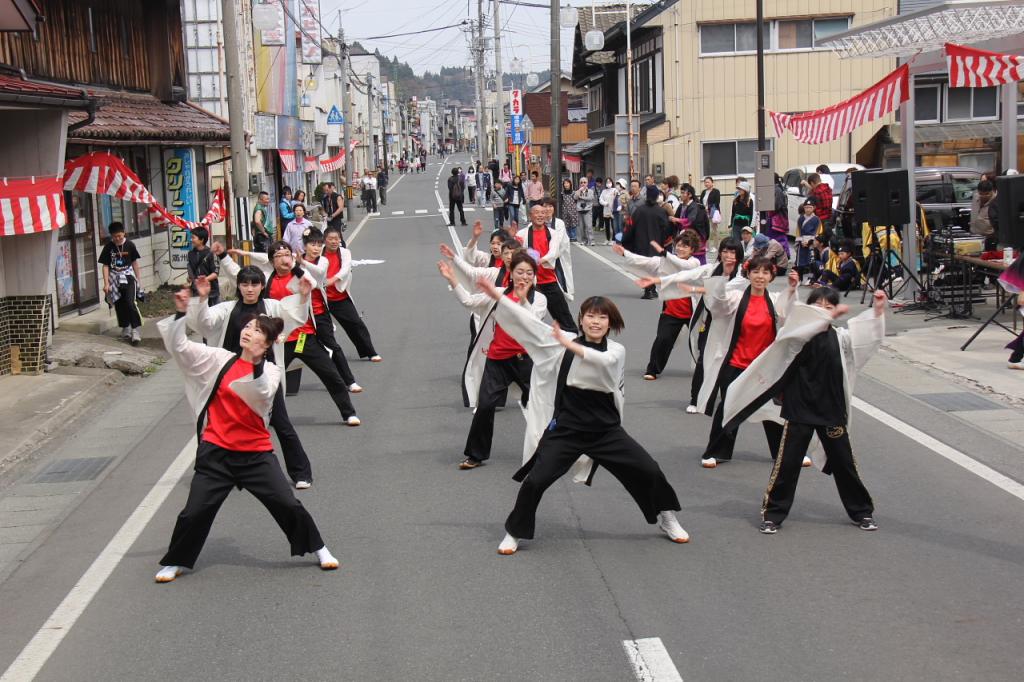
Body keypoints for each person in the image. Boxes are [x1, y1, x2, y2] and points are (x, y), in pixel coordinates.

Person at [474, 290, 689, 555]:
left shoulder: (615, 351)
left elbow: (602, 361)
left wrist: (571, 345)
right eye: (590, 316)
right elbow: (527, 324)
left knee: (649, 470)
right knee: (535, 481)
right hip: (567, 430)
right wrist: (497, 295)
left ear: (611, 323)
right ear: (581, 319)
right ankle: (514, 531)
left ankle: (666, 517)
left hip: (606, 431)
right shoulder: (563, 346)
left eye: (602, 317)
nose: (596, 321)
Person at [152, 293, 338, 583]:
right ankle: (176, 560)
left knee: (287, 504)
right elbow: (180, 348)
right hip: (216, 452)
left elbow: (259, 392)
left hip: (255, 455)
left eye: (256, 331)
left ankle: (319, 548)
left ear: (268, 343)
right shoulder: (218, 359)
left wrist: (253, 361)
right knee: (194, 512)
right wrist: (180, 313)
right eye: (247, 328)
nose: (247, 332)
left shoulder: (272, 372)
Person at [720, 287, 887, 534]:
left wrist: (878, 310)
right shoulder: (797, 336)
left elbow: (865, 341)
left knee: (844, 464)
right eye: (817, 306)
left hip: (831, 409)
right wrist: (826, 316)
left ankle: (862, 512)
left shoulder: (841, 339)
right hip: (800, 409)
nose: (823, 310)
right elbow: (793, 332)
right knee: (788, 464)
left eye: (829, 306)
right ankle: (773, 514)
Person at [188, 255, 316, 488]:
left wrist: (304, 294)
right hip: (230, 376)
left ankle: (301, 473)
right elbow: (204, 323)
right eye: (245, 284)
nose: (249, 289)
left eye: (254, 284)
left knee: (281, 423)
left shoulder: (272, 307)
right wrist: (203, 298)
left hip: (263, 376)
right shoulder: (227, 309)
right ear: (238, 286)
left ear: (261, 286)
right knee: (217, 424)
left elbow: (295, 313)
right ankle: (213, 473)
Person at [224, 241, 362, 426]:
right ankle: (264, 417)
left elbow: (312, 283)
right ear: (271, 261)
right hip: (278, 342)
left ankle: (348, 413)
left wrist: (295, 267)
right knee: (270, 380)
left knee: (331, 375)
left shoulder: (300, 276)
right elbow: (237, 275)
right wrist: (223, 257)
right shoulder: (266, 281)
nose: (284, 259)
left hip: (303, 337)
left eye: (287, 254)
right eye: (278, 256)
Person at [438, 250, 545, 470]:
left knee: (540, 407)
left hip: (526, 362)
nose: (524, 277)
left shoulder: (539, 299)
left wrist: (523, 299)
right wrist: (453, 280)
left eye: (529, 273)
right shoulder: (498, 293)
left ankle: (553, 449)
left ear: (534, 276)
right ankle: (476, 455)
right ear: (511, 273)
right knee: (485, 406)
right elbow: (469, 301)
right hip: (497, 360)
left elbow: (532, 321)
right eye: (519, 272)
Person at [696, 257, 799, 468]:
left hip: (764, 367)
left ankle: (783, 452)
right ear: (748, 274)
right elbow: (718, 305)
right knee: (728, 406)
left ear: (771, 276)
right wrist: (724, 276)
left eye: (765, 272)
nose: (760, 276)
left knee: (773, 409)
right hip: (736, 363)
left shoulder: (775, 298)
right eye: (756, 272)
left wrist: (791, 289)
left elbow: (789, 316)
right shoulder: (736, 297)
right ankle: (718, 451)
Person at [615, 231, 702, 380]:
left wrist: (664, 253)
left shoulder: (694, 263)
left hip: (694, 312)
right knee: (662, 340)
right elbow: (643, 261)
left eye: (685, 247)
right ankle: (652, 370)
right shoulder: (664, 261)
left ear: (692, 250)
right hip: (672, 312)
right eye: (679, 245)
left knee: (701, 343)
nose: (681, 249)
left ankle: (704, 370)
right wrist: (625, 254)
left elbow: (683, 265)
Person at [321, 224, 382, 362]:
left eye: (337, 238)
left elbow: (345, 269)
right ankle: (321, 355)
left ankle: (370, 352)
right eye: (331, 239)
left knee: (356, 324)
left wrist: (332, 280)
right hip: (320, 298)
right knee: (319, 329)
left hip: (339, 296)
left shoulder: (344, 252)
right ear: (324, 240)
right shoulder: (318, 253)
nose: (334, 241)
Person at [517, 204, 577, 333]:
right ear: (530, 216)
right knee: (529, 316)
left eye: (542, 213)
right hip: (530, 283)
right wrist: (514, 242)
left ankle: (572, 340)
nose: (540, 215)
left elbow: (553, 252)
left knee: (564, 317)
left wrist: (539, 261)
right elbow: (514, 252)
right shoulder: (522, 234)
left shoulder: (552, 233)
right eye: (537, 213)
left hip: (548, 280)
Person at [622, 186, 672, 299]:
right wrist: (664, 240)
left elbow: (630, 226)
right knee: (654, 266)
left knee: (645, 267)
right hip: (656, 243)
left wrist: (626, 240)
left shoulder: (639, 211)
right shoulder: (661, 211)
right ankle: (652, 289)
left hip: (641, 243)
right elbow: (666, 229)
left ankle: (648, 290)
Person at [99, 221, 144, 345]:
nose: (118, 238)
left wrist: (139, 280)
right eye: (115, 236)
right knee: (119, 303)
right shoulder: (109, 247)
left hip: (128, 276)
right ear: (111, 236)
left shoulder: (130, 245)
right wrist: (106, 283)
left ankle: (135, 330)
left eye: (120, 235)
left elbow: (135, 262)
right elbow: (105, 266)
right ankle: (126, 327)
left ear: (124, 233)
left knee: (130, 303)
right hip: (114, 278)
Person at [674, 183, 710, 263]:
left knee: (699, 263)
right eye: (681, 192)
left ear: (689, 195)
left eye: (683, 193)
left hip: (696, 239)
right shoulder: (681, 206)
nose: (681, 195)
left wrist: (677, 220)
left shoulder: (697, 207)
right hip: (685, 238)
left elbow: (690, 221)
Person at [186, 226, 220, 307]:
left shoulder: (211, 253)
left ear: (201, 240)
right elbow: (192, 270)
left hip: (212, 292)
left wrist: (203, 280)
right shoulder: (190, 254)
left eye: (193, 238)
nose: (191, 240)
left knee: (214, 315)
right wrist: (190, 278)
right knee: (199, 315)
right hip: (196, 292)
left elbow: (215, 273)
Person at [795, 199, 821, 281]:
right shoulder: (800, 219)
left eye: (810, 207)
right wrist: (801, 241)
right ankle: (800, 278)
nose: (808, 209)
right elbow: (798, 231)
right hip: (802, 241)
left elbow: (818, 232)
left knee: (812, 261)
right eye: (806, 207)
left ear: (814, 208)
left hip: (812, 242)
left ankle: (814, 278)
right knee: (800, 262)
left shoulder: (817, 219)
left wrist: (810, 241)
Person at [970, 180, 997, 250]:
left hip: (990, 238)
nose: (983, 196)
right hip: (974, 236)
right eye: (981, 194)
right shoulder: (975, 197)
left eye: (987, 194)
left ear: (992, 191)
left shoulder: (997, 201)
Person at [574, 177, 596, 246]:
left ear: (587, 183)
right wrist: (579, 191)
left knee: (588, 226)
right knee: (581, 227)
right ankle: (584, 240)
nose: (583, 184)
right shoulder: (578, 191)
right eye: (581, 182)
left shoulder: (590, 191)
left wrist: (581, 197)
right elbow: (575, 197)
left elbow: (590, 198)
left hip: (587, 210)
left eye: (584, 182)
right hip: (580, 210)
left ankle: (591, 240)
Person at [598, 178, 617, 245]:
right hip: (606, 210)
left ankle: (613, 239)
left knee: (613, 225)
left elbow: (617, 198)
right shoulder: (604, 191)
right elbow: (600, 199)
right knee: (607, 226)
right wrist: (605, 203)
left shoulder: (615, 190)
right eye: (607, 182)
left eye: (610, 181)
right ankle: (607, 239)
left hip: (613, 210)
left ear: (612, 182)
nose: (608, 183)